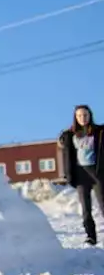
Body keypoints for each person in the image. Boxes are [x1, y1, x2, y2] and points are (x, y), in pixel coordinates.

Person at [58, 104, 104, 246]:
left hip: (97, 173)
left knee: (103, 205)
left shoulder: (99, 131)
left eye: (85, 115)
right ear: (75, 118)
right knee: (86, 209)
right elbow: (64, 150)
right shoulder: (70, 135)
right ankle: (91, 237)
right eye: (79, 116)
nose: (82, 118)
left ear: (90, 116)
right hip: (80, 175)